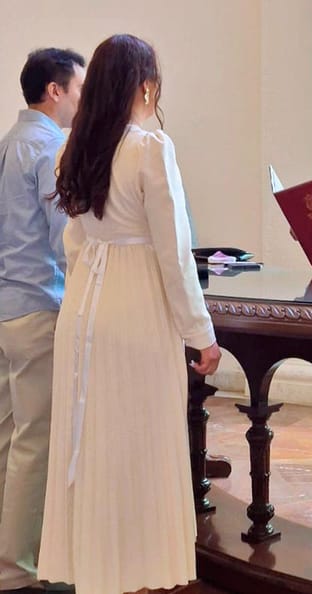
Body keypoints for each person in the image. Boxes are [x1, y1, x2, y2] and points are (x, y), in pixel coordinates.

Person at [37, 34, 221, 594]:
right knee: (140, 444)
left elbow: (74, 243)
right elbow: (174, 254)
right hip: (137, 308)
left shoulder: (73, 148)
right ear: (145, 85)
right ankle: (136, 570)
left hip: (83, 310)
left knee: (90, 441)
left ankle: (95, 567)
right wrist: (201, 333)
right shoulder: (148, 147)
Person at [0, 48, 85, 593]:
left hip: (6, 307)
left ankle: (7, 555)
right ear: (55, 91)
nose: (82, 99)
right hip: (38, 307)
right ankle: (17, 569)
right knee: (36, 440)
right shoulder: (51, 147)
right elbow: (65, 241)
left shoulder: (8, 142)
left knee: (8, 437)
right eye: (78, 88)